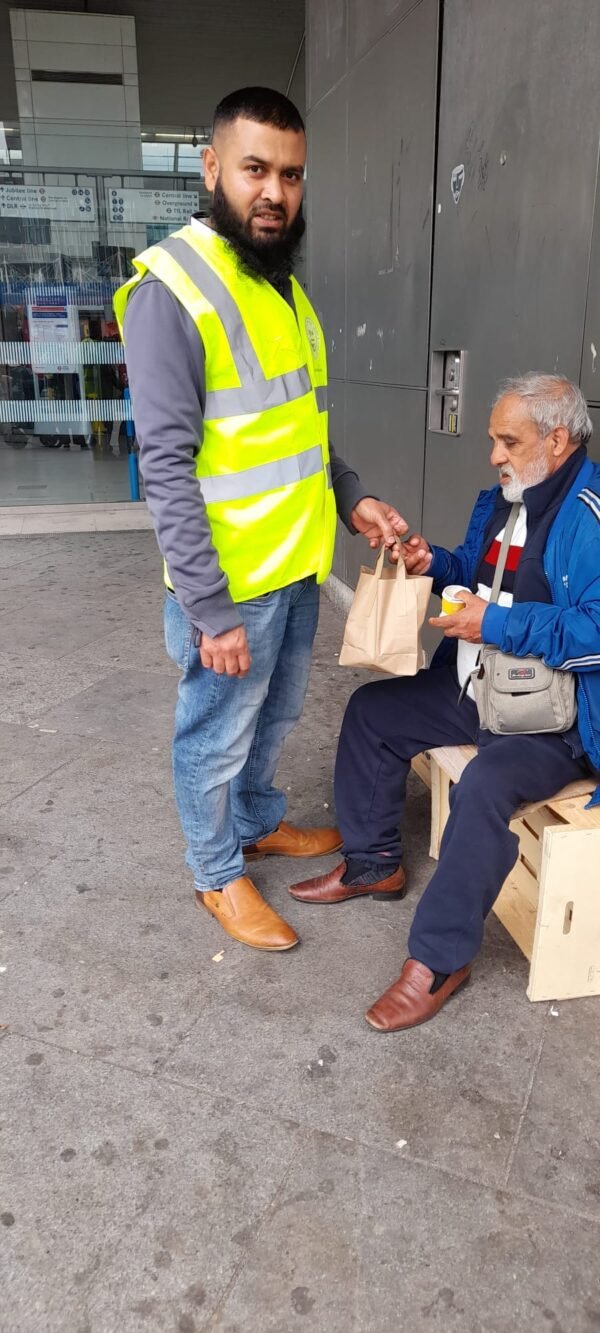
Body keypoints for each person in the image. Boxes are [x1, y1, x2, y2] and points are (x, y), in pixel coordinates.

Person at [115, 87, 407, 952]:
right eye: (255, 170)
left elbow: (300, 427)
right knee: (213, 735)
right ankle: (216, 873)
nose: (274, 191)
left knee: (273, 721)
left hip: (296, 567)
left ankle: (254, 822)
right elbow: (165, 468)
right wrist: (209, 608)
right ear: (212, 169)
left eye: (291, 173)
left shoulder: (279, 287)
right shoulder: (174, 289)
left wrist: (350, 494)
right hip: (231, 586)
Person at [290, 374, 600, 1028]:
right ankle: (373, 863)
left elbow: (594, 632)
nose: (494, 454)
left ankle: (437, 960)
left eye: (507, 440)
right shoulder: (504, 498)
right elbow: (481, 573)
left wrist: (495, 624)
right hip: (472, 688)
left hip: (551, 723)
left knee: (486, 784)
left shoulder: (589, 515)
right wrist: (439, 563)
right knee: (372, 713)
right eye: (494, 438)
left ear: (559, 439)